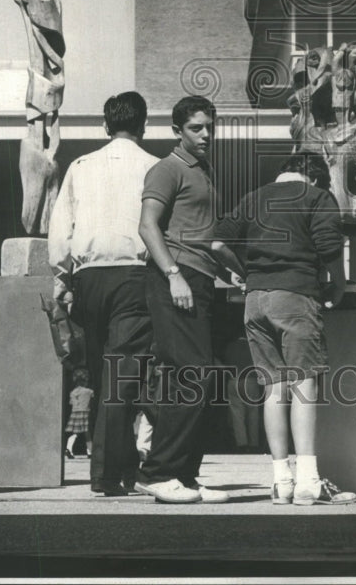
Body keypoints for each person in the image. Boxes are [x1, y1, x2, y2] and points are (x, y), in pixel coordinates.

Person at [216, 153, 356, 505]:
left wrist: (245, 273)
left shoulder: (253, 197)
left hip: (255, 301)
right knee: (304, 384)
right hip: (295, 296)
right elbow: (329, 247)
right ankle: (309, 482)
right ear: (316, 179)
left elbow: (217, 243)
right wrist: (338, 286)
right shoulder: (316, 197)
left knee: (274, 390)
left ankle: (281, 482)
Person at [48, 91, 159, 497]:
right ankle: (110, 473)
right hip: (134, 274)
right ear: (144, 125)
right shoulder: (155, 168)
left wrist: (62, 279)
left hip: (89, 278)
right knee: (123, 377)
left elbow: (61, 230)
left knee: (101, 376)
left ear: (105, 125)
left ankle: (117, 466)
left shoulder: (80, 166)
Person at [136, 95, 243, 504]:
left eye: (210, 127)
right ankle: (158, 472)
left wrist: (230, 270)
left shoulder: (205, 172)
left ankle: (185, 475)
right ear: (177, 130)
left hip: (201, 280)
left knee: (206, 378)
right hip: (173, 280)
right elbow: (148, 228)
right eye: (197, 128)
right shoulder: (166, 169)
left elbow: (208, 238)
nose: (206, 134)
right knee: (191, 374)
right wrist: (174, 275)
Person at [65, 368, 94, 458]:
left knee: (75, 433)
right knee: (87, 434)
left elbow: (71, 403)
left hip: (75, 413)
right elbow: (92, 402)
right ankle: (90, 452)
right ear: (86, 380)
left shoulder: (73, 392)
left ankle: (68, 448)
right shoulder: (90, 391)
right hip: (85, 413)